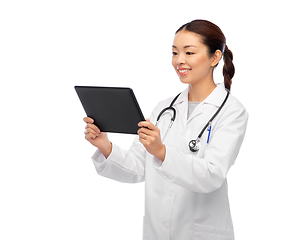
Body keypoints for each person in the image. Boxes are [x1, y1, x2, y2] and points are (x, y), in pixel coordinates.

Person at [83, 19, 248, 240]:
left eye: (189, 53)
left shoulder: (231, 111)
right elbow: (138, 169)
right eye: (174, 52)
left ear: (215, 57)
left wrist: (161, 152)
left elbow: (211, 175)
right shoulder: (164, 109)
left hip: (202, 233)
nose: (179, 61)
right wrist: (105, 146)